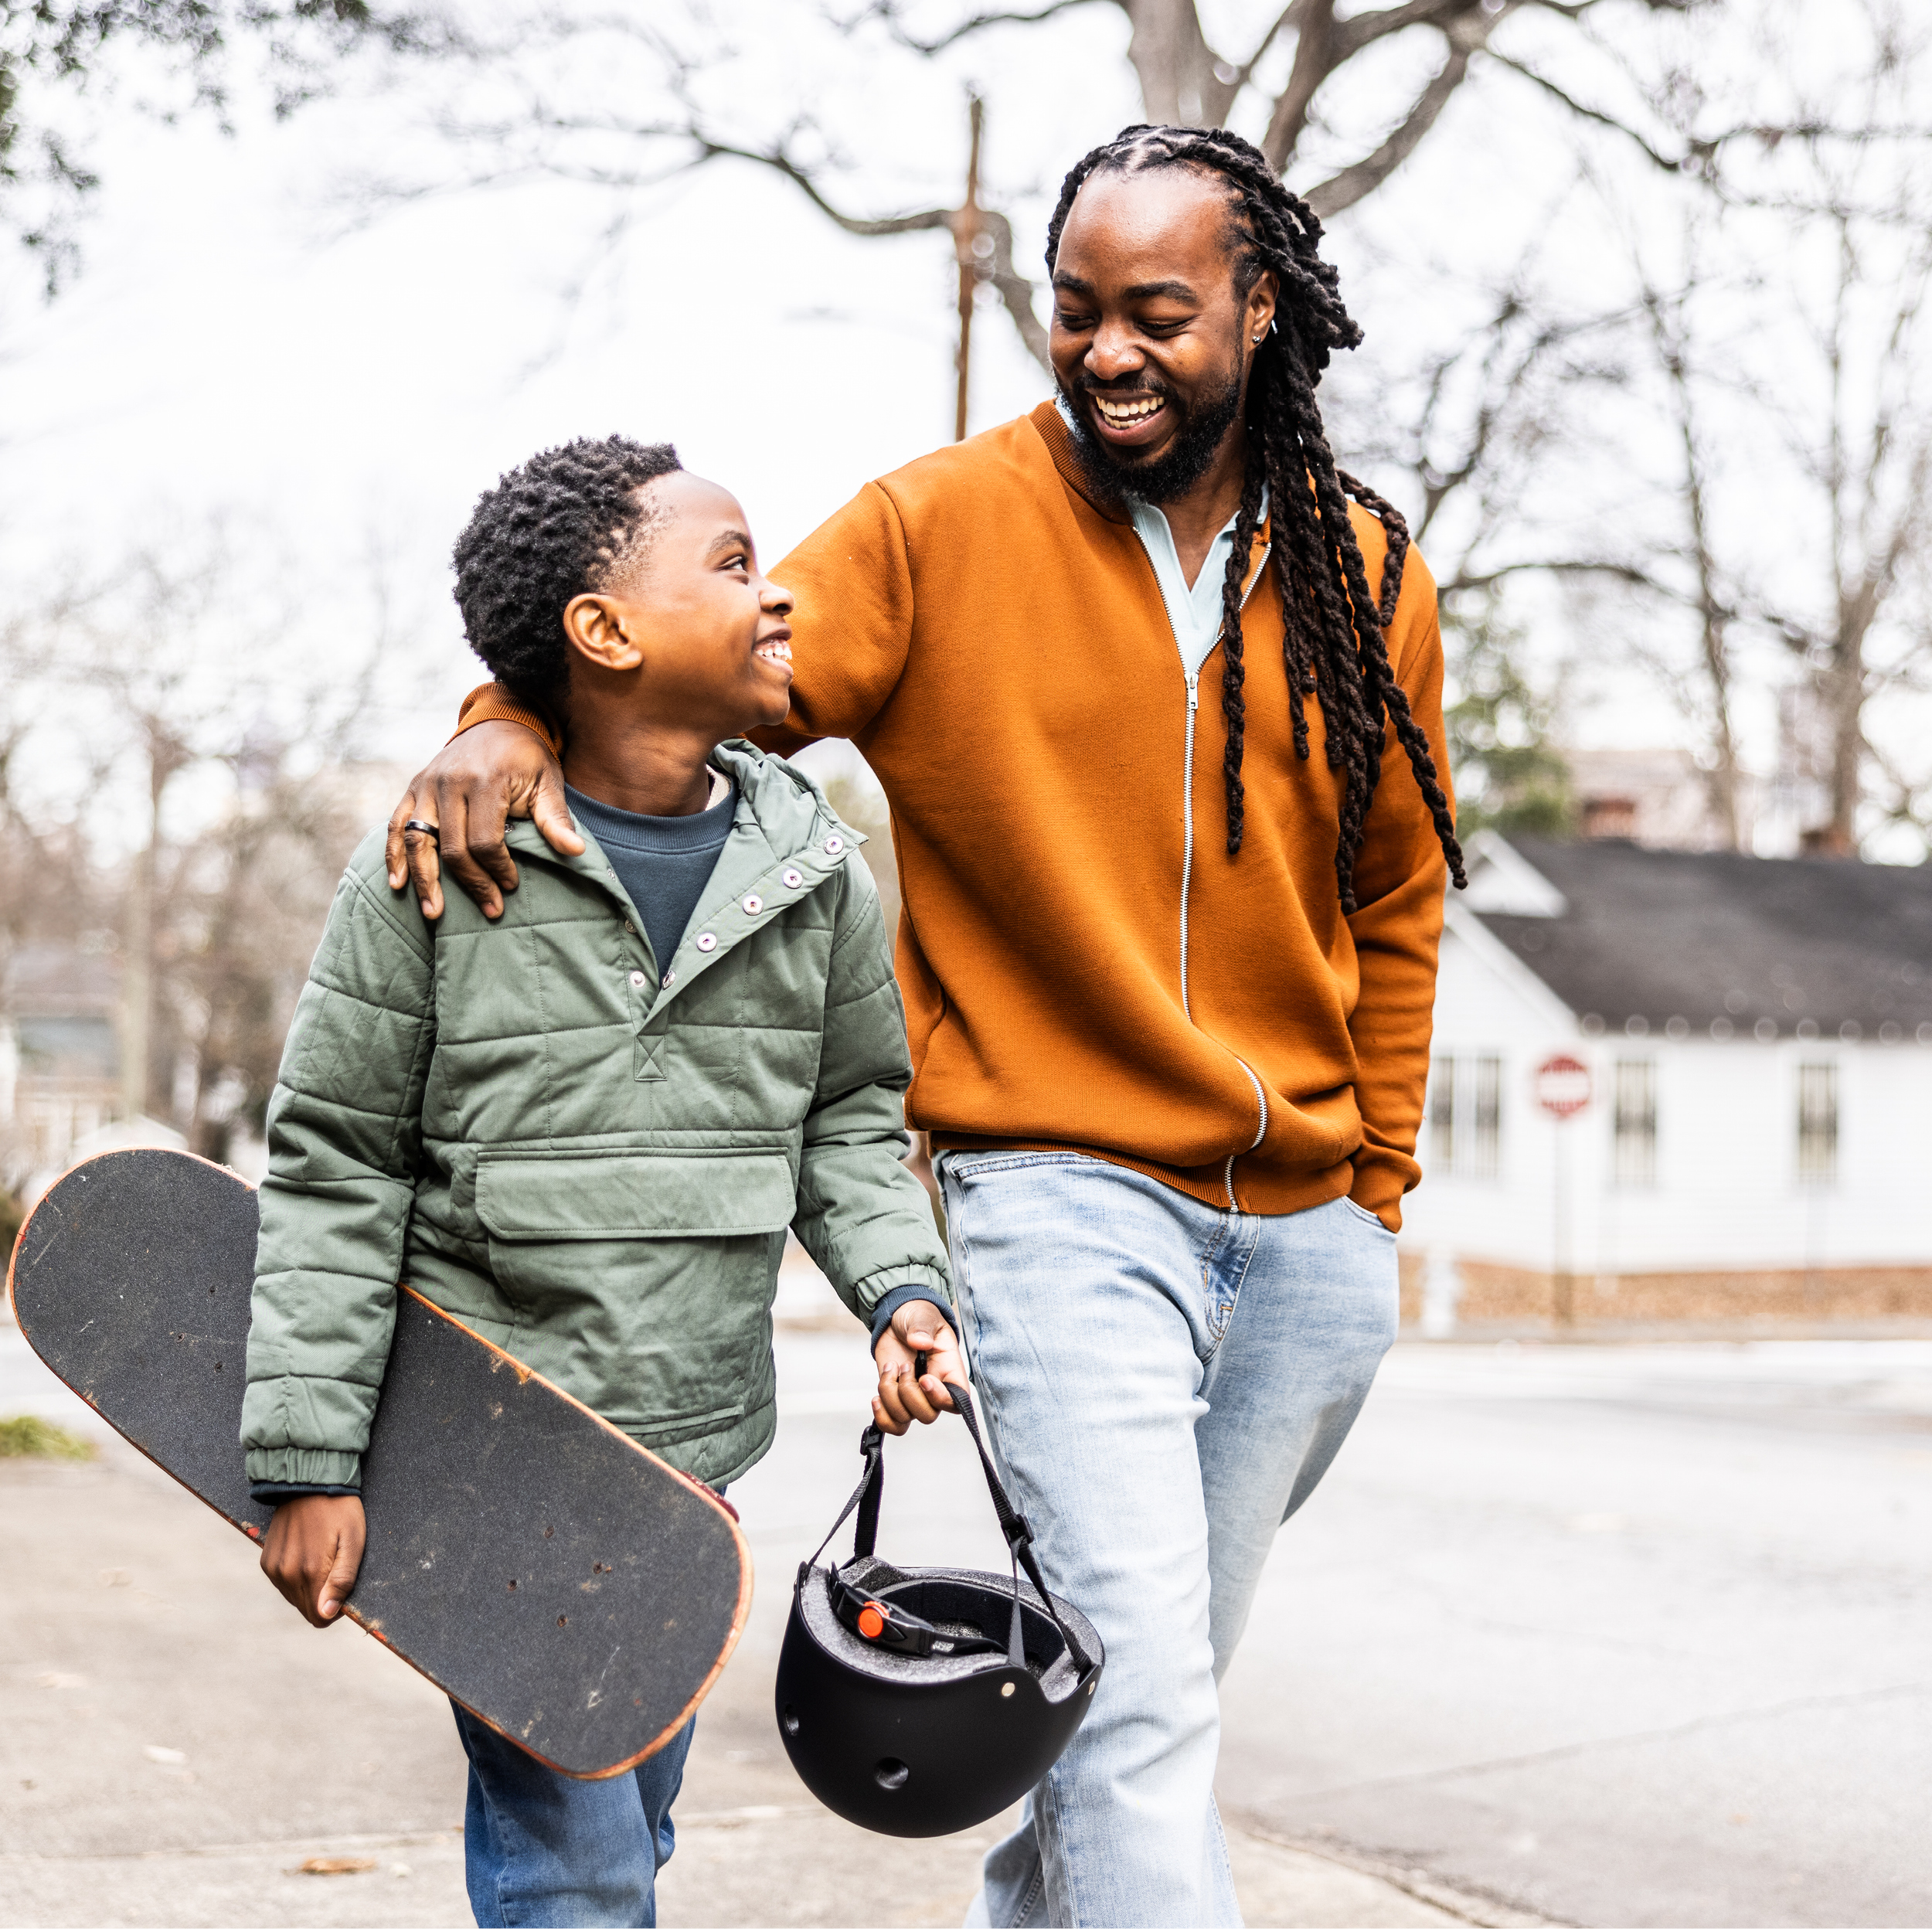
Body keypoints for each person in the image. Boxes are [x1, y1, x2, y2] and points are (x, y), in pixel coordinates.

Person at [389, 126, 1465, 1929]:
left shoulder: (1365, 571)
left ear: (1260, 309)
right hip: (1056, 1197)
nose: (1106, 351)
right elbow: (697, 654)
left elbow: (1394, 902)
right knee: (1136, 1704)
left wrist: (1372, 1193)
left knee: (1116, 1693)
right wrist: (509, 702)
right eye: (1072, 311)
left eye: (1157, 313)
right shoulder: (940, 523)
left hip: (1302, 1242)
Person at [242, 434, 960, 1929]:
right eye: (735, 566)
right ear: (605, 632)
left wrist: (902, 1289)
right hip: (487, 1436)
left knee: (632, 1816)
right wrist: (306, 1462)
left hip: (683, 1452)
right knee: (577, 1861)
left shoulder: (810, 869)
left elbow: (846, 1114)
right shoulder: (437, 867)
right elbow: (336, 1162)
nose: (778, 604)